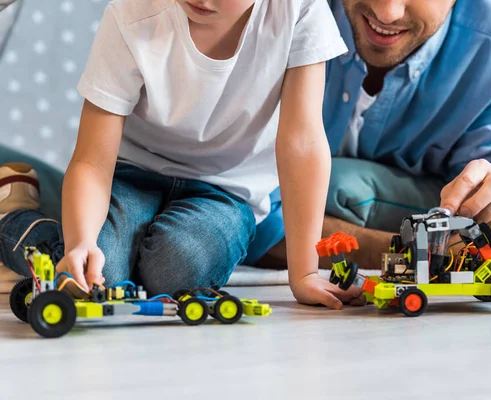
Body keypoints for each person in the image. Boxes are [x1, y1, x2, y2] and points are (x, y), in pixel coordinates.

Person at [0, 0, 364, 309]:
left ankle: (65, 240)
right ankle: (14, 222)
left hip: (226, 191)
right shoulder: (133, 13)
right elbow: (93, 162)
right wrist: (81, 244)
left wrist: (304, 273)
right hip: (131, 174)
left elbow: (302, 143)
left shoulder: (299, 11)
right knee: (98, 278)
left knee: (176, 271)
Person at [249, 0, 491, 270]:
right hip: (301, 194)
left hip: (422, 199)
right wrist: (409, 255)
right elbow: (235, 197)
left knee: (334, 185)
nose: (386, 13)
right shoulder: (271, 11)